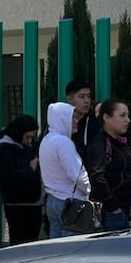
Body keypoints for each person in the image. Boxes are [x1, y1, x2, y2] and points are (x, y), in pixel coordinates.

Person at [0, 114, 43, 244]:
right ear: (19, 133)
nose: (30, 141)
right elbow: (7, 177)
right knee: (20, 242)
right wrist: (30, 169)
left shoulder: (25, 145)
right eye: (28, 137)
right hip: (18, 203)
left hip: (33, 202)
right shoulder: (4, 149)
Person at [40, 102, 90, 238]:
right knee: (70, 250)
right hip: (69, 202)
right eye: (72, 117)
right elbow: (77, 174)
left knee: (55, 249)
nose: (75, 121)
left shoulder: (46, 140)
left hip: (52, 199)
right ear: (61, 118)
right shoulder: (64, 142)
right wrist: (88, 189)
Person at [85, 98, 131, 231]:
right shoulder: (100, 143)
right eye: (122, 115)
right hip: (110, 213)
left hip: (122, 210)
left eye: (128, 115)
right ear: (107, 117)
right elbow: (97, 177)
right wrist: (114, 208)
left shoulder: (120, 143)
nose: (127, 120)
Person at [65, 79, 97, 156]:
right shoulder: (60, 120)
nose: (86, 101)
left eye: (89, 96)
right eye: (82, 97)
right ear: (69, 99)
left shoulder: (94, 119)